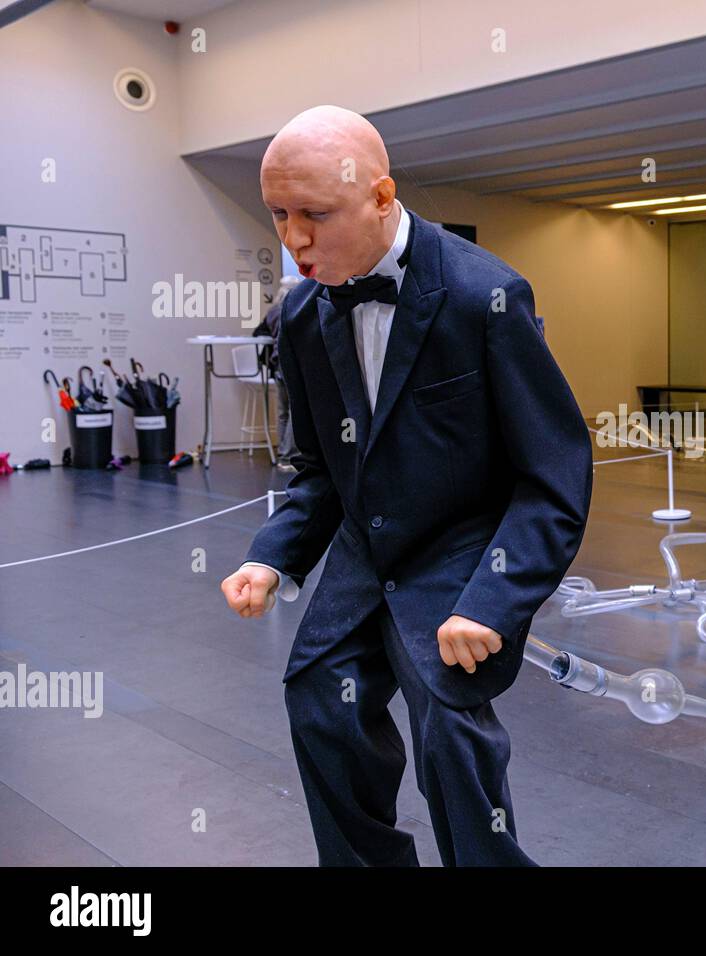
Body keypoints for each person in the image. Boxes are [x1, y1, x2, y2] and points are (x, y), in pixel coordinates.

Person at [219, 105, 593, 867]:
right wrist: (272, 556)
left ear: (382, 196)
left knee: (450, 733)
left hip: (461, 553)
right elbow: (320, 468)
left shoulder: (485, 296)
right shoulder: (297, 317)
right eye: (280, 214)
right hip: (365, 551)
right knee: (320, 704)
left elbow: (553, 475)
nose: (293, 241)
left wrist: (493, 600)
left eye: (315, 215)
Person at [254, 275, 302, 471]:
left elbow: (257, 333)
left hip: (277, 364)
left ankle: (283, 455)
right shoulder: (297, 308)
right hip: (293, 364)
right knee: (295, 411)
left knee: (282, 412)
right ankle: (290, 454)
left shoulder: (273, 311)